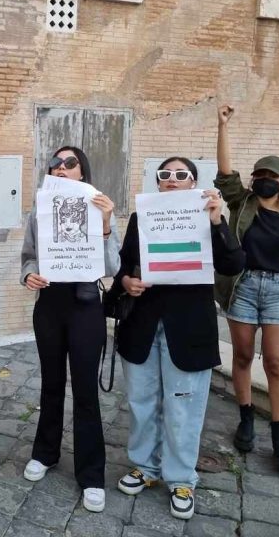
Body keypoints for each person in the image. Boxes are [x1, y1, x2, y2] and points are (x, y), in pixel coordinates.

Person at [115, 157, 245, 519]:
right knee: (142, 401)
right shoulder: (143, 216)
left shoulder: (208, 215)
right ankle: (145, 466)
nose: (172, 180)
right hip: (143, 323)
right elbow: (124, 263)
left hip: (188, 327)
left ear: (193, 182)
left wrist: (218, 219)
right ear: (158, 182)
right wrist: (126, 281)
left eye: (180, 175)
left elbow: (234, 264)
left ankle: (181, 477)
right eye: (165, 175)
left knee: (184, 407)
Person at [214, 105, 279, 472]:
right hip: (244, 286)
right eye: (258, 174)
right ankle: (245, 418)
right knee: (242, 358)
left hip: (278, 291)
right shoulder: (244, 203)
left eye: (270, 175)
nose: (262, 180)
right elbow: (226, 174)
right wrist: (222, 127)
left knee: (275, 363)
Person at [20, 146, 121, 512]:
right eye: (55, 164)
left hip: (85, 307)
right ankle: (45, 453)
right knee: (50, 383)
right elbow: (28, 254)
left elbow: (112, 267)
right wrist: (28, 273)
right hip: (49, 304)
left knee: (84, 391)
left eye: (69, 163)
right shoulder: (40, 208)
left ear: (82, 172)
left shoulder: (99, 206)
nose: (60, 168)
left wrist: (107, 225)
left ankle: (91, 473)